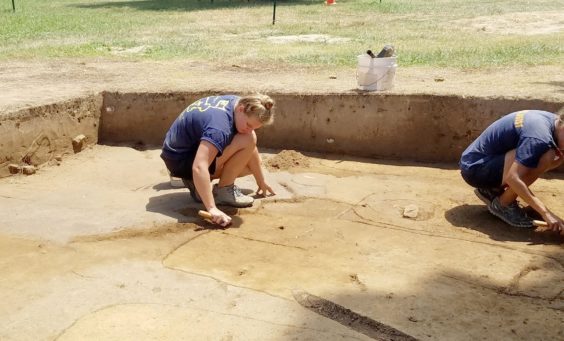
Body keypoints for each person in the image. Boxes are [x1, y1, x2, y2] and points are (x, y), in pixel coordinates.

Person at [161, 94, 276, 227]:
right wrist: (212, 208)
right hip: (180, 160)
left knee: (251, 161)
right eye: (248, 124)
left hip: (179, 151)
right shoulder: (219, 127)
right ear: (241, 109)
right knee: (248, 139)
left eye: (254, 127)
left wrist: (261, 181)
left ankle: (198, 183)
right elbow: (199, 166)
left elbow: (250, 146)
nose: (249, 130)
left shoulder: (237, 103)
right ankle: (222, 190)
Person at [460, 108, 564, 234]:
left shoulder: (552, 120)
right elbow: (513, 178)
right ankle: (503, 205)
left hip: (477, 161)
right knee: (546, 154)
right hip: (476, 170)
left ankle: (492, 190)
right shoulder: (539, 137)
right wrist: (545, 213)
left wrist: (557, 160)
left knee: (545, 156)